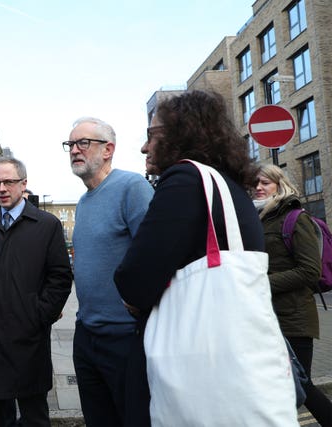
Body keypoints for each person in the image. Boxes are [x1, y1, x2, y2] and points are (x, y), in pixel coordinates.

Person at [113, 90, 266, 423]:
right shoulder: (229, 187)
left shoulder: (185, 180)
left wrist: (137, 294)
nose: (143, 147)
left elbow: (134, 282)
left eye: (151, 136)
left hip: (190, 359)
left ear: (179, 136)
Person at [0, 156, 72, 427]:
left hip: (28, 341)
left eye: (8, 182)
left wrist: (39, 315)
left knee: (34, 417)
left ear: (23, 184)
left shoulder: (46, 225)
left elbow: (60, 277)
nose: (1, 188)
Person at [64, 117, 154, 426]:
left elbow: (155, 256)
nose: (75, 150)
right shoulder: (84, 202)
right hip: (87, 335)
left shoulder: (132, 187)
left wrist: (141, 305)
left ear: (108, 149)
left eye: (83, 143)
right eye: (71, 144)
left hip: (125, 338)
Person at [254, 164, 332, 425]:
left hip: (294, 317)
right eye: (255, 183)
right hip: (267, 316)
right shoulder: (259, 218)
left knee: (301, 385)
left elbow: (310, 271)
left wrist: (261, 283)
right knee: (280, 389)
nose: (258, 187)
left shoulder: (295, 218)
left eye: (265, 182)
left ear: (280, 184)